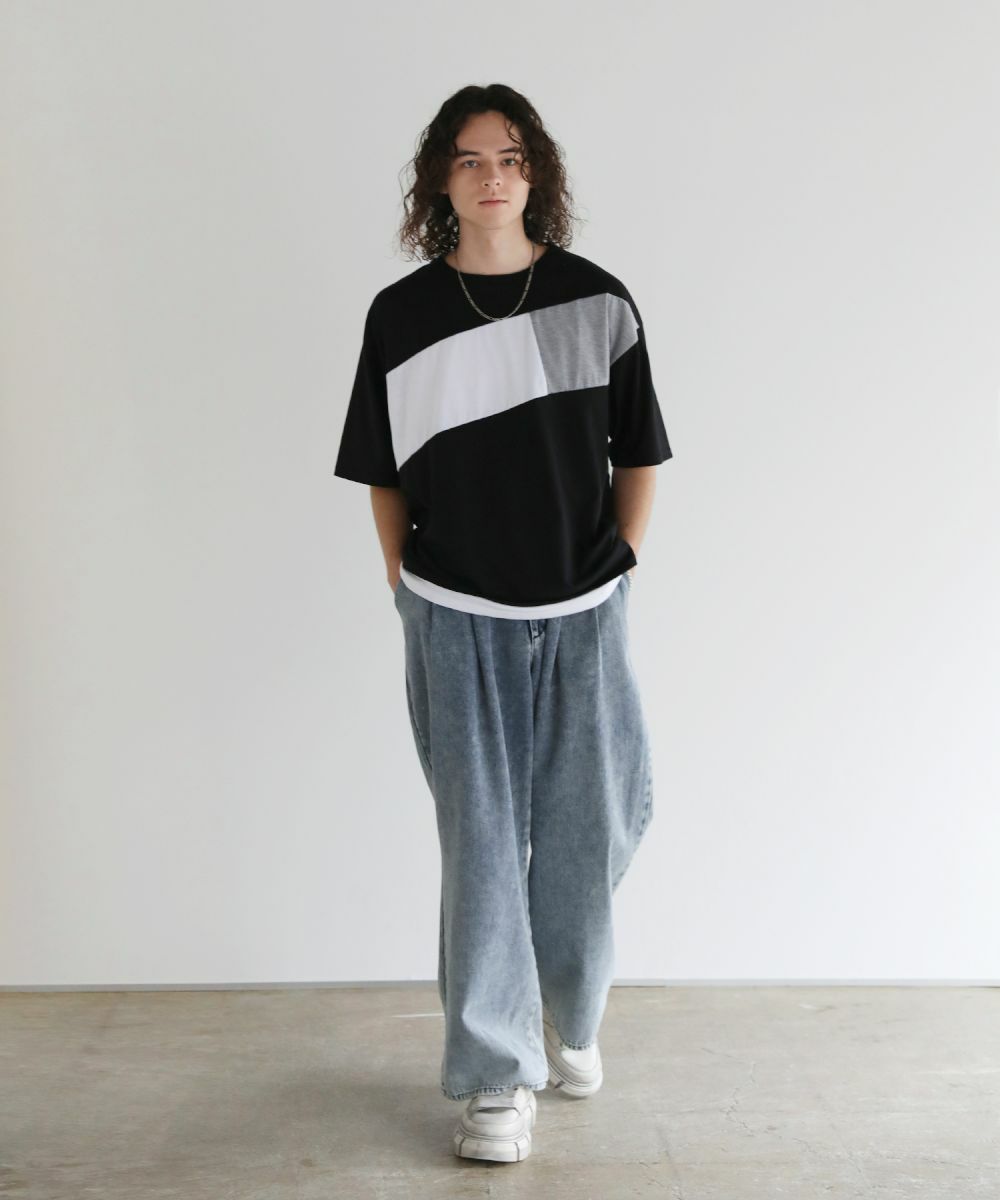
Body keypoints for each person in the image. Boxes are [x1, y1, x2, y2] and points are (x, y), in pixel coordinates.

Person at [333, 84, 672, 1163]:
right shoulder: (400, 316)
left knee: (596, 825)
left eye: (512, 158)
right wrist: (404, 581)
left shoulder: (599, 301)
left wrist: (620, 564)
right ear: (441, 178)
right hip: (454, 613)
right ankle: (493, 1077)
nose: (493, 177)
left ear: (537, 175)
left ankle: (568, 1010)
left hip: (584, 611)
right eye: (472, 159)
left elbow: (640, 454)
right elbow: (382, 470)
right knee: (481, 847)